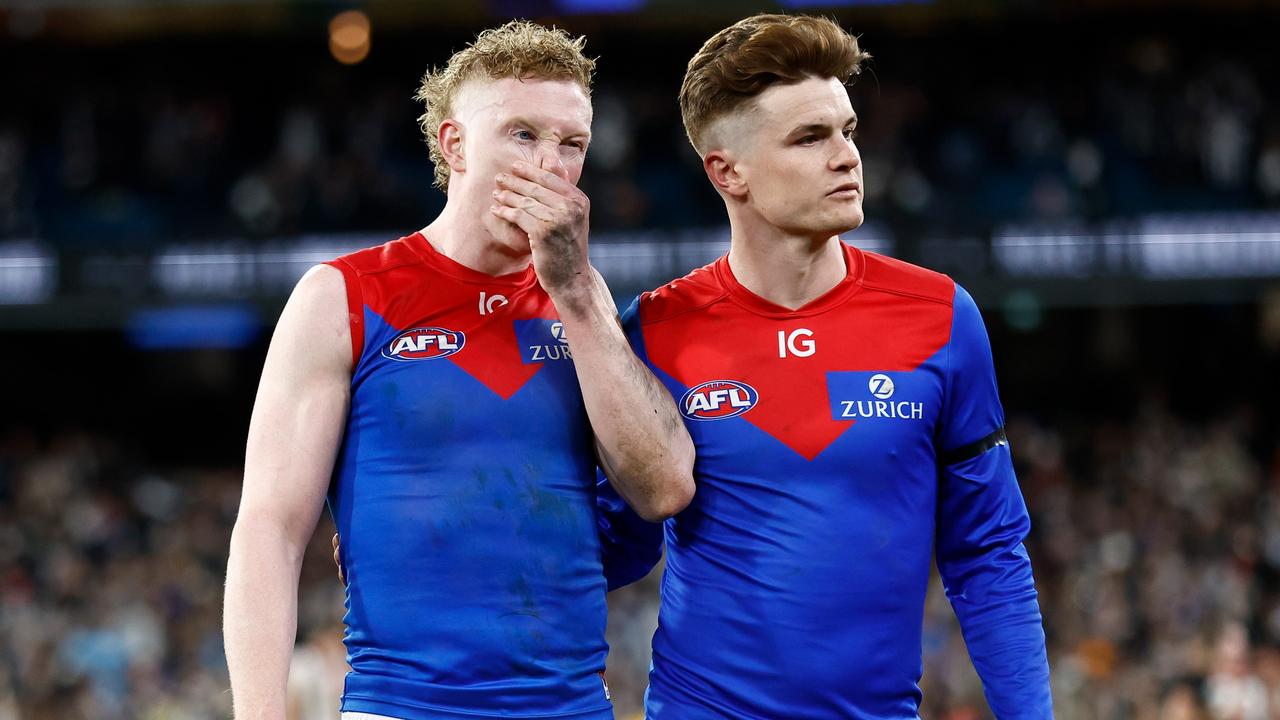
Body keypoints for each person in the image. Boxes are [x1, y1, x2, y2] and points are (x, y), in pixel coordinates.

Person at [223, 21, 694, 720]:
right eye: (523, 135)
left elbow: (662, 490)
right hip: (400, 705)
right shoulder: (346, 297)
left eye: (572, 145)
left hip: (569, 707)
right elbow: (271, 527)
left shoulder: (595, 312)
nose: (550, 165)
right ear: (454, 144)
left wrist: (576, 296)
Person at [620, 14, 1053, 719]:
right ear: (728, 171)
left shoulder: (941, 316)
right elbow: (617, 547)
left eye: (847, 131)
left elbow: (988, 554)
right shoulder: (655, 331)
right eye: (810, 138)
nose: (848, 156)